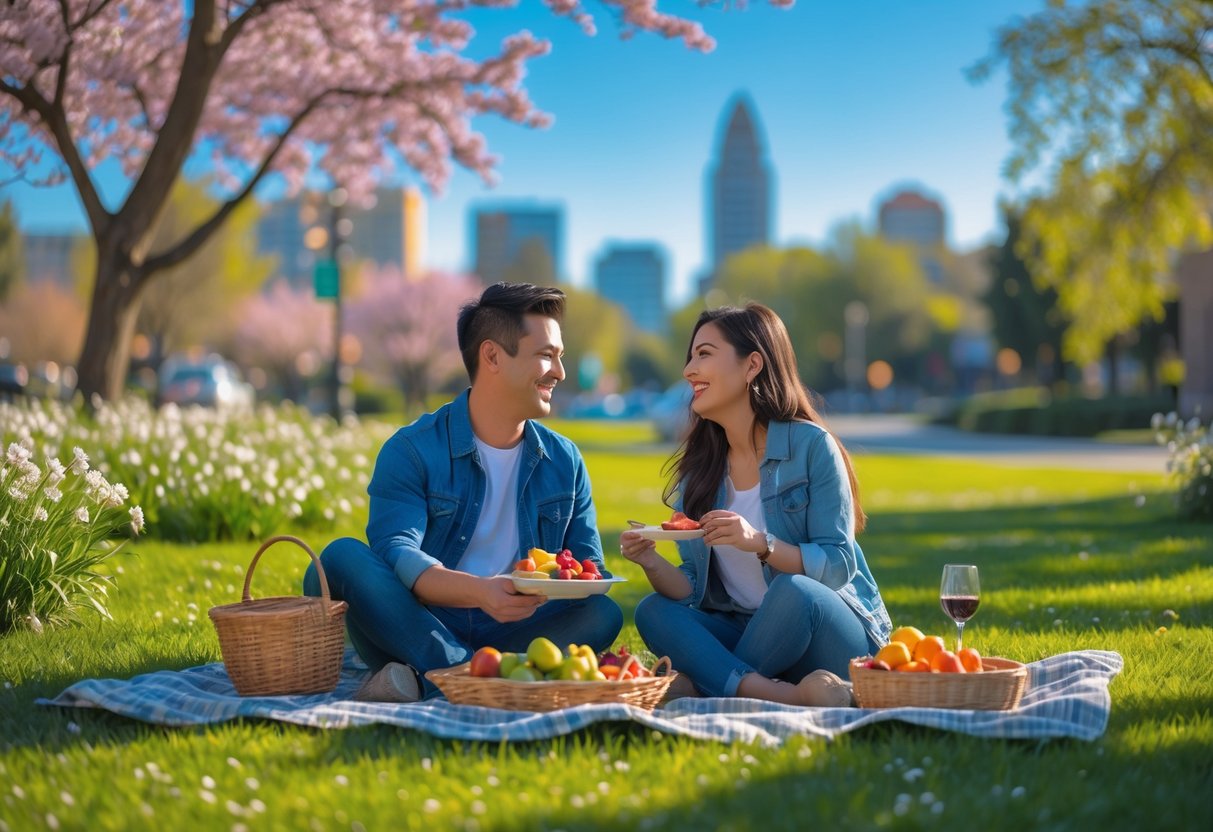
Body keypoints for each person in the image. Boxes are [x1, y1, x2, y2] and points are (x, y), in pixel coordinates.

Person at [305, 282, 622, 702]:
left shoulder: (565, 461)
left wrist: (542, 584)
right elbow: (397, 551)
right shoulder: (412, 450)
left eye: (560, 357)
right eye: (546, 355)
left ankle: (434, 681)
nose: (559, 373)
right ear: (491, 355)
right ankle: (473, 674)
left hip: (520, 624)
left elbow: (589, 569)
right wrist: (480, 591)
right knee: (341, 557)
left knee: (603, 612)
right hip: (419, 620)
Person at [621, 303, 891, 706]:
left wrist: (761, 543)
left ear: (752, 365)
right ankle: (778, 693)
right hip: (749, 637)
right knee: (653, 611)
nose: (689, 370)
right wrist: (652, 562)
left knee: (793, 591)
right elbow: (693, 589)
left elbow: (837, 566)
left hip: (830, 632)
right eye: (691, 356)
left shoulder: (811, 447)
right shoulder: (701, 471)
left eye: (705, 354)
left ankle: (708, 686)